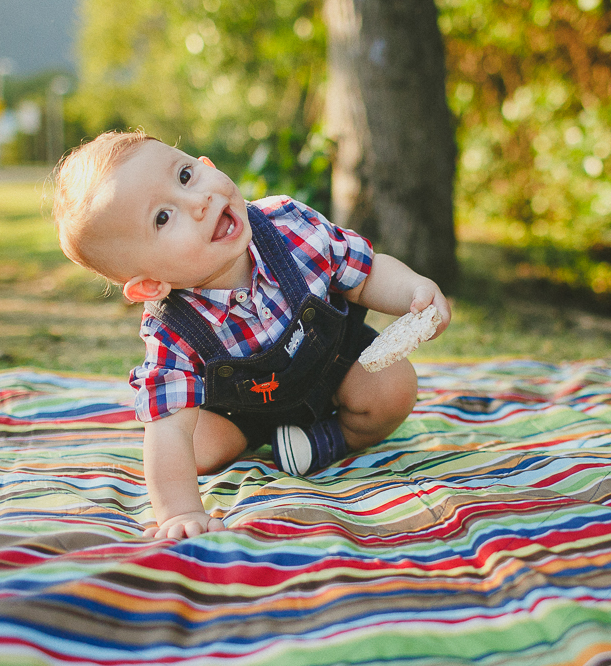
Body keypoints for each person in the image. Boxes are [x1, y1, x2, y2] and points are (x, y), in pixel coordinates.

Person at [52, 131, 451, 541]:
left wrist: (414, 292)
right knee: (188, 448)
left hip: (335, 372)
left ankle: (332, 438)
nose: (198, 201)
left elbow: (365, 274)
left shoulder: (289, 226)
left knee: (394, 386)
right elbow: (168, 426)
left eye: (185, 175)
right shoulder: (171, 329)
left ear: (206, 164)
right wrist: (180, 512)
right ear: (152, 285)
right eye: (163, 217)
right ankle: (262, 439)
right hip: (244, 414)